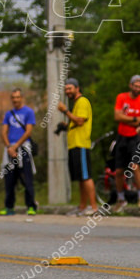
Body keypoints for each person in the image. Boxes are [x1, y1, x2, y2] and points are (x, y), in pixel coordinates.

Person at [58, 78, 96, 216]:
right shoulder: (76, 104)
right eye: (66, 89)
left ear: (77, 88)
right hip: (74, 144)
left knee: (86, 177)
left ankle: (93, 207)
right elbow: (76, 122)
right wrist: (66, 125)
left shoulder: (82, 101)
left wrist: (65, 111)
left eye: (70, 88)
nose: (68, 91)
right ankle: (82, 207)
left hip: (81, 144)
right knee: (80, 178)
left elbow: (80, 121)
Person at [112, 75, 140, 211]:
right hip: (122, 136)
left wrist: (128, 119)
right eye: (136, 86)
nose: (138, 89)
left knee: (135, 166)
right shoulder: (121, 97)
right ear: (130, 85)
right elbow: (117, 116)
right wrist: (134, 119)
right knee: (119, 170)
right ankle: (120, 199)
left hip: (135, 138)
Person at [0, 89, 37, 216]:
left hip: (23, 149)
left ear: (22, 98)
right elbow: (4, 132)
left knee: (27, 179)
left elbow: (28, 132)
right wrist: (9, 147)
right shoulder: (9, 114)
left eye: (17, 97)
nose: (15, 100)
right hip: (10, 151)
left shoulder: (28, 112)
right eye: (13, 97)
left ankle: (31, 206)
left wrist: (16, 146)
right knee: (9, 180)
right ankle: (9, 207)